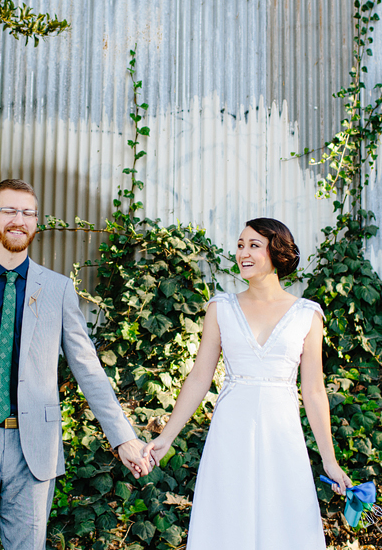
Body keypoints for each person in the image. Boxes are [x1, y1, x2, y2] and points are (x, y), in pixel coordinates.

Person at [0, 179, 151, 550]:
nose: (19, 220)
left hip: (34, 450)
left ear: (36, 222)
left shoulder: (57, 289)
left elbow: (88, 368)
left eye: (28, 212)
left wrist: (123, 437)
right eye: (9, 210)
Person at [142, 218, 353, 549]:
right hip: (231, 433)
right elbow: (199, 377)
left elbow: (313, 391)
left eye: (254, 245)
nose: (243, 253)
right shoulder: (220, 308)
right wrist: (167, 437)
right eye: (240, 245)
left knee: (285, 522)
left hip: (282, 435)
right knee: (228, 521)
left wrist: (329, 458)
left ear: (277, 252)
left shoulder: (307, 315)